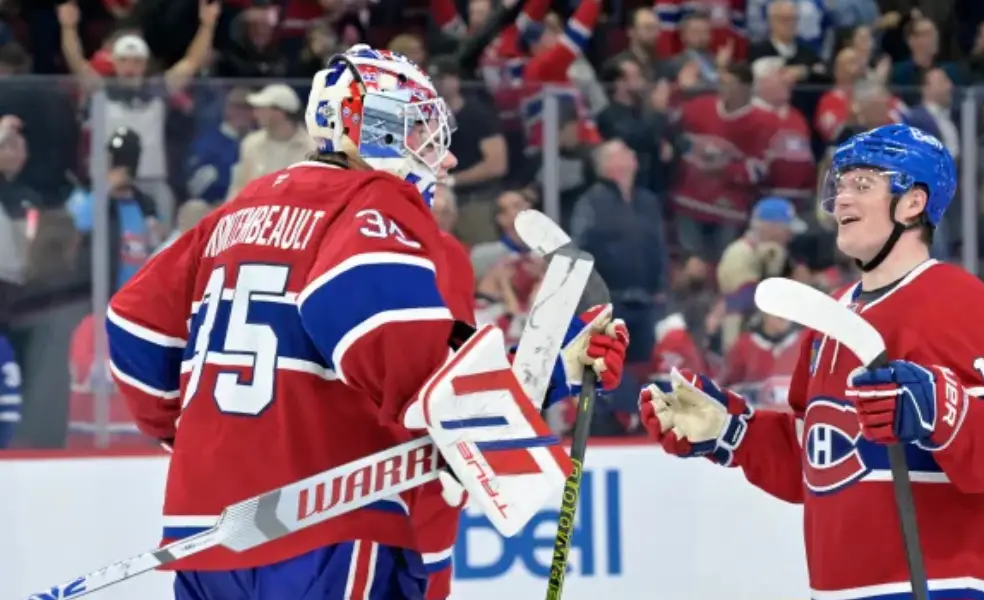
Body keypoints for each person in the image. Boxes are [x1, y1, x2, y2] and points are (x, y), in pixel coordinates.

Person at [104, 45, 630, 600]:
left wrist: (201, 438)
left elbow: (133, 325)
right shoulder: (373, 201)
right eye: (420, 131)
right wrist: (550, 374)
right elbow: (402, 352)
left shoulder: (237, 211)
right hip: (325, 527)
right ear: (369, 129)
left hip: (206, 531)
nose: (445, 159)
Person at [639, 124, 984, 599]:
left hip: (940, 586)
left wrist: (937, 405)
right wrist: (732, 431)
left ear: (913, 202)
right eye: (840, 184)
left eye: (862, 184)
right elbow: (818, 460)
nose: (842, 197)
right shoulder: (832, 314)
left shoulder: (958, 298)